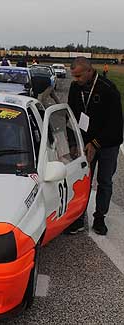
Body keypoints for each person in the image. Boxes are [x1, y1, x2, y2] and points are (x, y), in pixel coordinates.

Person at [65, 57, 123, 235]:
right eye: (74, 76)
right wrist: (74, 143)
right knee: (83, 181)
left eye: (79, 76)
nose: (76, 80)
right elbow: (71, 116)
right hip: (85, 143)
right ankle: (79, 218)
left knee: (104, 181)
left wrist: (95, 143)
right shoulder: (75, 88)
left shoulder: (108, 89)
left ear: (89, 71)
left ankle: (100, 218)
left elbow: (115, 124)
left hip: (107, 145)